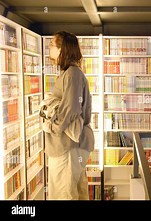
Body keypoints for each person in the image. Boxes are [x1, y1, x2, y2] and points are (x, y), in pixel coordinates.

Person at [44, 31, 94, 199]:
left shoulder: (72, 74)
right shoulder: (70, 73)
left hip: (67, 146)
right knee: (75, 192)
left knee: (64, 194)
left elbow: (70, 110)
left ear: (62, 49)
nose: (49, 47)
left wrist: (50, 125)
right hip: (70, 145)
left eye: (52, 44)